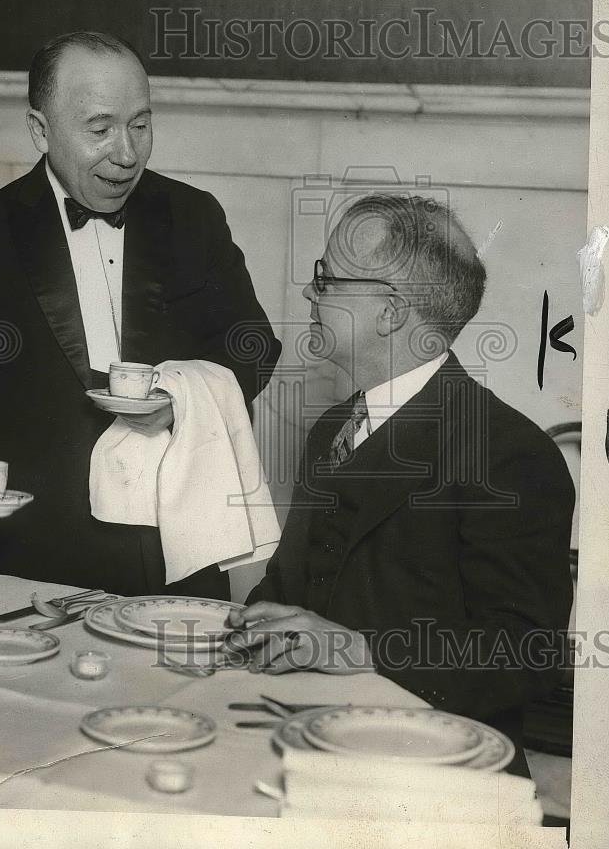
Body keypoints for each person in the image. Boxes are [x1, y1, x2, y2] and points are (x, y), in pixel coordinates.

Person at [0, 31, 281, 599]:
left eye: (141, 125)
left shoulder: (194, 217)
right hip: (29, 546)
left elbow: (253, 342)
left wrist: (181, 399)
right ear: (40, 130)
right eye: (100, 130)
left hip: (171, 543)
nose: (126, 154)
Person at [226, 193, 574, 772]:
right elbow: (290, 587)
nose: (312, 293)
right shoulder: (333, 429)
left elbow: (525, 653)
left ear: (389, 312)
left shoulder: (511, 454)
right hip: (308, 736)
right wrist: (254, 625)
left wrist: (358, 650)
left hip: (433, 769)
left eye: (329, 279)